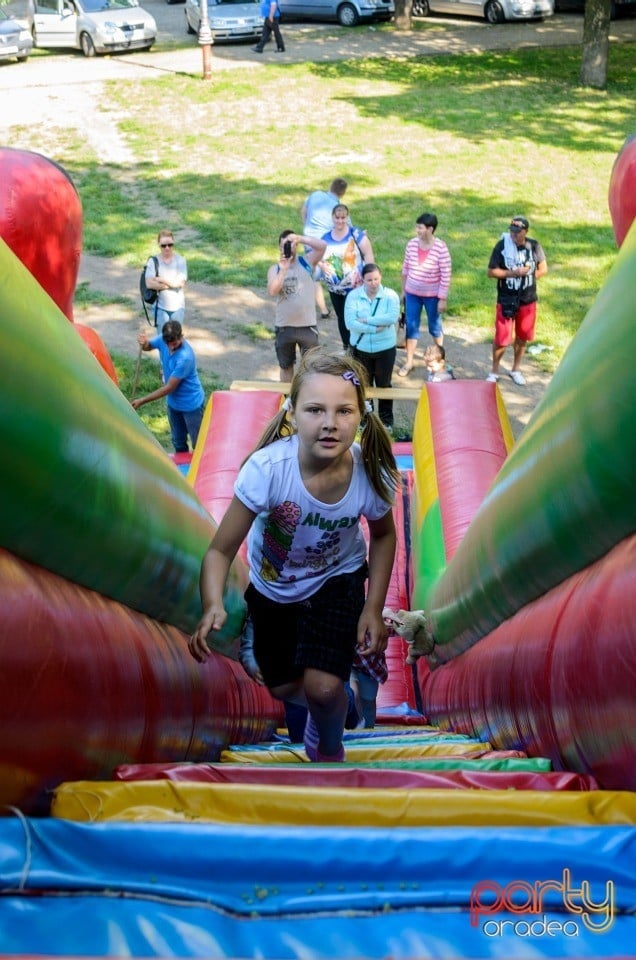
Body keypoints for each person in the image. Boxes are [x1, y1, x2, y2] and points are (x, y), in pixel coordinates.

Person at [189, 350, 399, 763]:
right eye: (315, 410)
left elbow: (385, 535)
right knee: (281, 685)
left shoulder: (368, 472)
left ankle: (330, 747)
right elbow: (219, 549)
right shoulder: (268, 471)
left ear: (362, 415)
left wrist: (373, 606)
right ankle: (345, 704)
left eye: (344, 411)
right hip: (274, 591)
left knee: (322, 689)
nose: (329, 423)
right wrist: (212, 603)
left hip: (337, 582)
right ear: (292, 412)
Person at [486, 215, 548, 386]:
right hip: (506, 298)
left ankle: (516, 369)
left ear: (525, 232)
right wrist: (513, 274)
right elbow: (491, 272)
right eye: (512, 231)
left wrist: (529, 277)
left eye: (517, 232)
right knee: (501, 338)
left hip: (527, 299)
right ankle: (494, 370)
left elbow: (543, 268)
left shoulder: (533, 246)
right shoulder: (502, 246)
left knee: (523, 336)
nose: (513, 235)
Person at [131, 320, 205, 454]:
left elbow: (169, 388)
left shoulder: (185, 357)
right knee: (178, 441)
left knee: (198, 444)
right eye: (168, 344)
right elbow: (149, 346)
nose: (171, 348)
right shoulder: (164, 339)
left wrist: (142, 401)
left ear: (181, 337)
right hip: (174, 404)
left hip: (191, 405)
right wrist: (144, 343)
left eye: (175, 343)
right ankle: (182, 471)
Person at [345, 263, 400, 432]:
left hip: (385, 348)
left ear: (380, 277)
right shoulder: (353, 297)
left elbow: (391, 317)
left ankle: (386, 422)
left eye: (376, 279)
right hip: (361, 349)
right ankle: (365, 420)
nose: (373, 283)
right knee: (363, 384)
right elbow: (349, 323)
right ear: (363, 280)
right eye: (369, 280)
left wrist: (366, 320)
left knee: (384, 384)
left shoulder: (391, 296)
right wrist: (374, 328)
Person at [267, 229, 327, 383]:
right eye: (284, 245)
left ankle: (310, 400)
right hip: (284, 326)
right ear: (279, 248)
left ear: (296, 245)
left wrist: (300, 238)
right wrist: (284, 270)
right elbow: (273, 291)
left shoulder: (306, 262)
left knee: (312, 367)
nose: (288, 248)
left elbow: (322, 246)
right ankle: (288, 401)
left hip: (307, 326)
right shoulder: (275, 269)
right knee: (286, 366)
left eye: (290, 244)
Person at [399, 212, 452, 378]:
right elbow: (405, 268)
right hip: (412, 294)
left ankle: (440, 358)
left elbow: (446, 274)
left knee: (435, 327)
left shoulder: (441, 248)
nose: (417, 230)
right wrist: (403, 291)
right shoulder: (412, 244)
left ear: (430, 229)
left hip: (432, 296)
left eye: (420, 227)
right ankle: (409, 361)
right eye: (417, 227)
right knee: (411, 327)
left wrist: (442, 298)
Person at [319, 204, 374, 351]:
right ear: (332, 218)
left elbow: (368, 254)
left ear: (347, 217)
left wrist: (370, 278)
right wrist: (321, 264)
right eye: (337, 218)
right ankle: (347, 348)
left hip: (355, 287)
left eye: (343, 218)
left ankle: (361, 347)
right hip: (335, 288)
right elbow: (315, 256)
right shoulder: (325, 238)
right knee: (342, 318)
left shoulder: (356, 234)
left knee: (357, 316)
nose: (340, 221)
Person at [301, 178, 348, 319]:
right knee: (334, 272)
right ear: (343, 193)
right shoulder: (337, 208)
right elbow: (345, 228)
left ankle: (323, 310)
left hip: (309, 240)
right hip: (325, 244)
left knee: (314, 277)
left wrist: (307, 228)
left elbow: (304, 211)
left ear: (330, 185)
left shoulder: (315, 195)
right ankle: (342, 304)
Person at [144, 229, 187, 333]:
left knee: (175, 341)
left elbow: (181, 283)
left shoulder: (180, 260)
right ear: (159, 245)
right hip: (160, 308)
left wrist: (162, 280)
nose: (167, 248)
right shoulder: (153, 261)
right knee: (163, 340)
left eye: (170, 244)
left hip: (178, 307)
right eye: (164, 245)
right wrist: (173, 284)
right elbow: (149, 283)